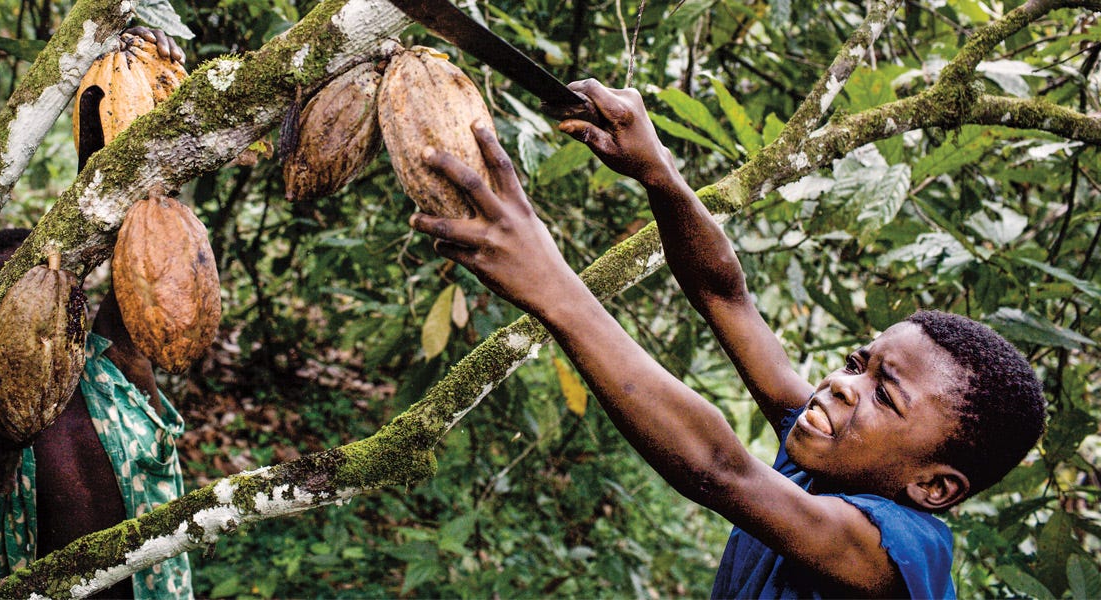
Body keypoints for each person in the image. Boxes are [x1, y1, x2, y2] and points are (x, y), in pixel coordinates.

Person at [408, 80, 1046, 598]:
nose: (843, 385)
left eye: (886, 396)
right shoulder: (831, 456)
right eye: (859, 363)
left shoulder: (893, 556)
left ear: (934, 488)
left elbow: (721, 470)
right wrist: (657, 171)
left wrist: (553, 288)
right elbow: (725, 296)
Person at [0, 27, 193, 599]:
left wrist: (126, 84)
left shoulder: (115, 364)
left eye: (47, 293)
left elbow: (149, 238)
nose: (37, 320)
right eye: (13, 306)